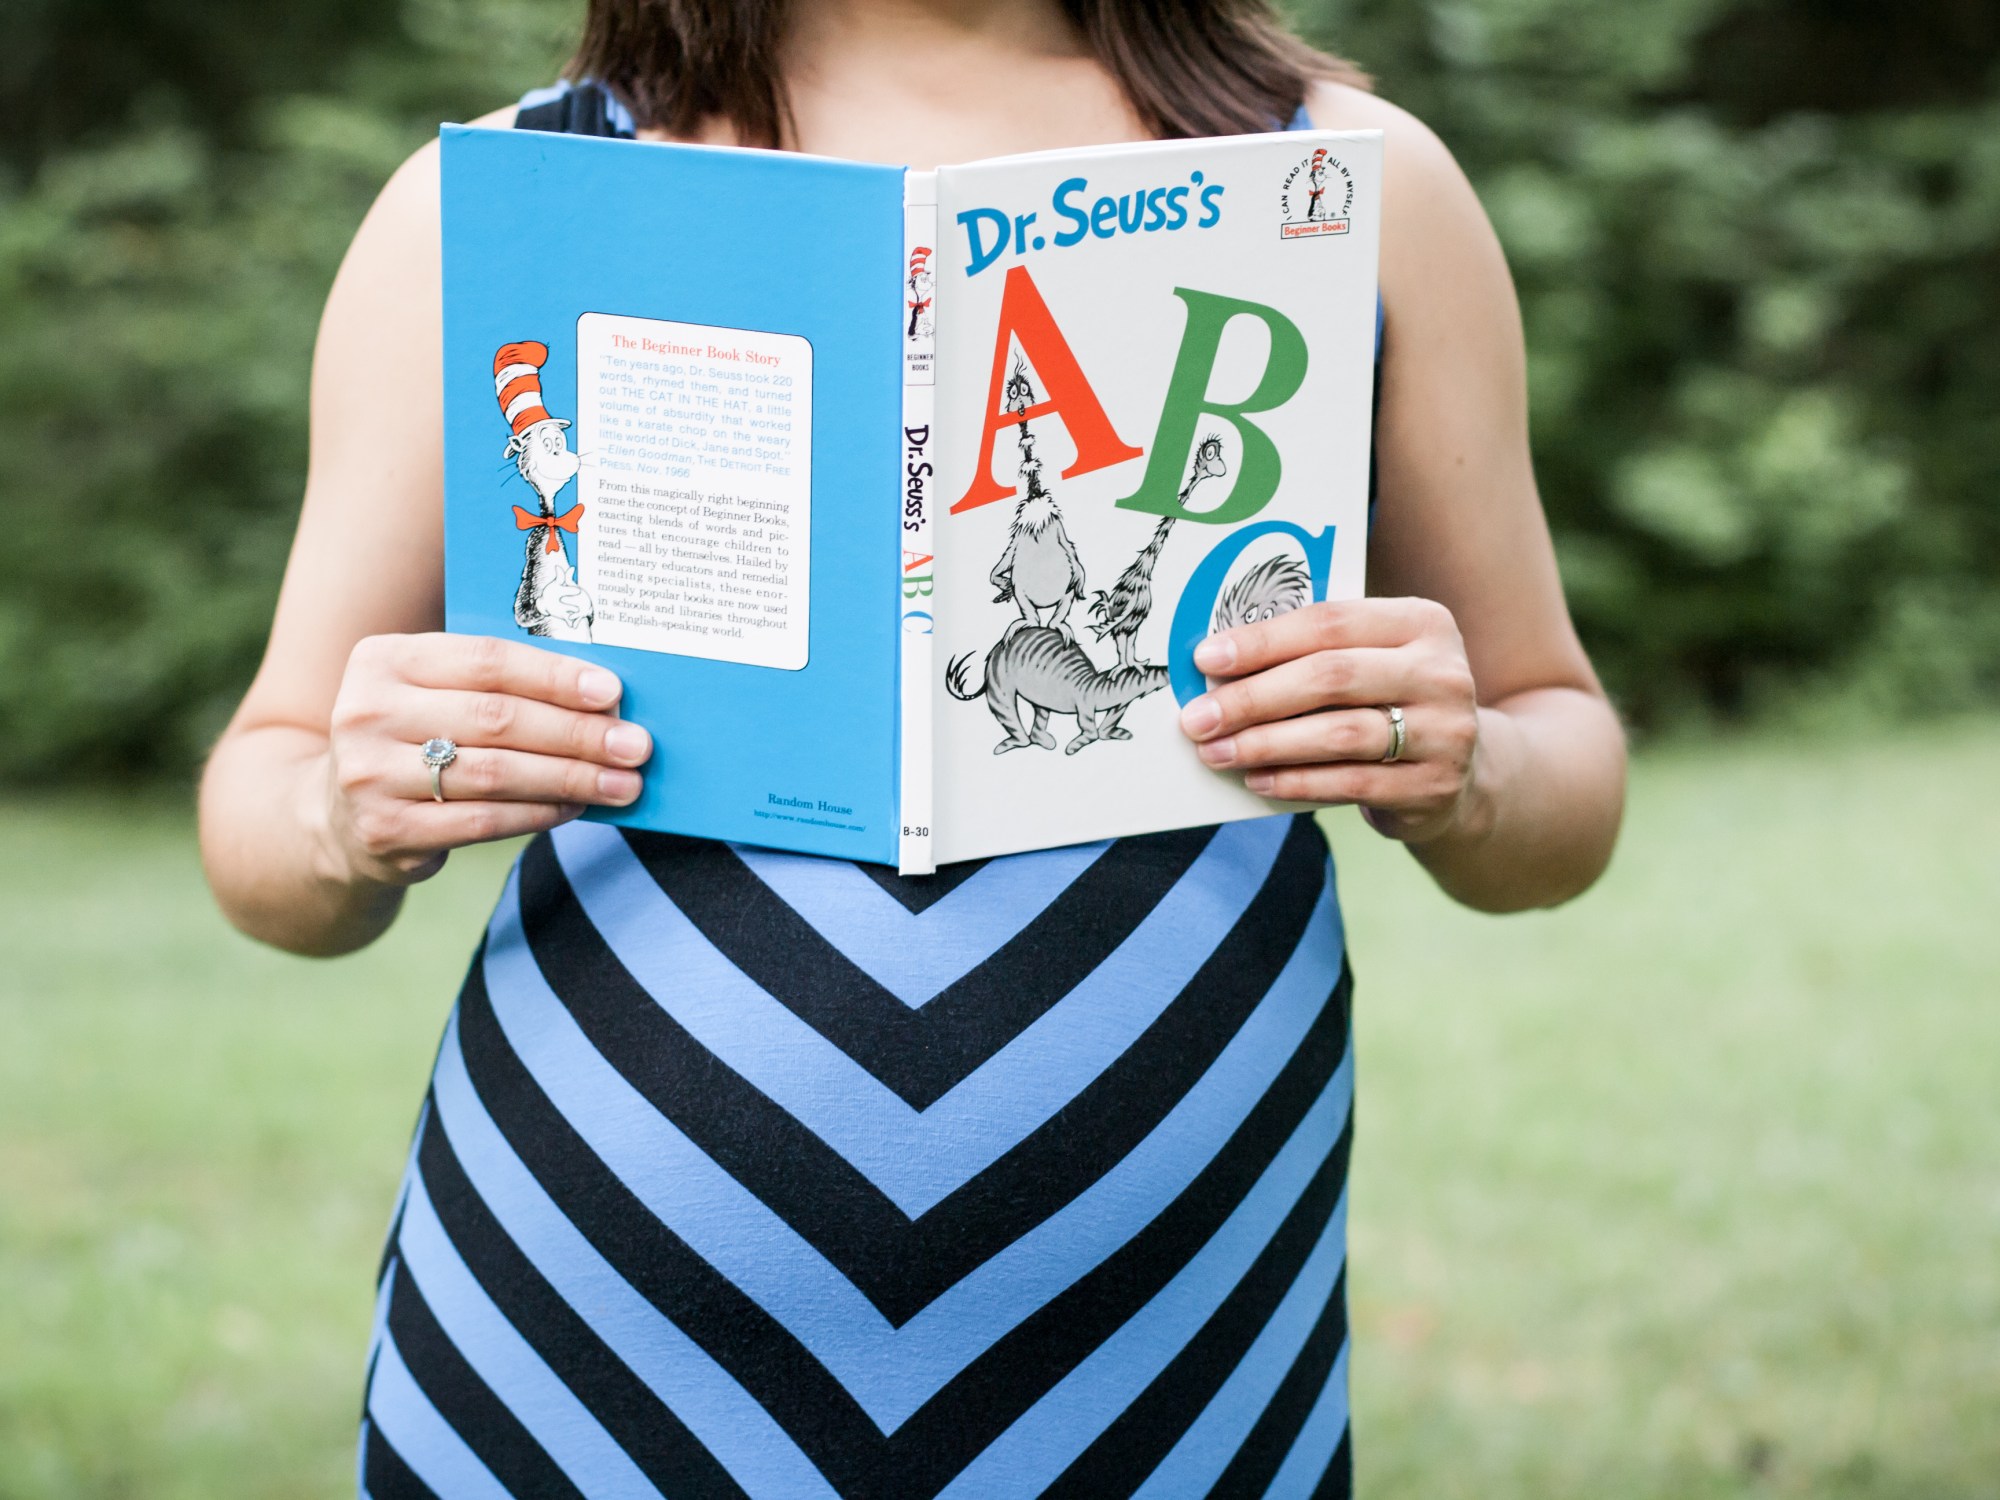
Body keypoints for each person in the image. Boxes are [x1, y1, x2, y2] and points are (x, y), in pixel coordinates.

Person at [198, 0, 1627, 1493]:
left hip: (1178, 1344)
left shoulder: (1352, 185)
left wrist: (1472, 771)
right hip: (577, 1351)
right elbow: (264, 811)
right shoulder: (502, 197)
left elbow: (1562, 757)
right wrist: (340, 813)